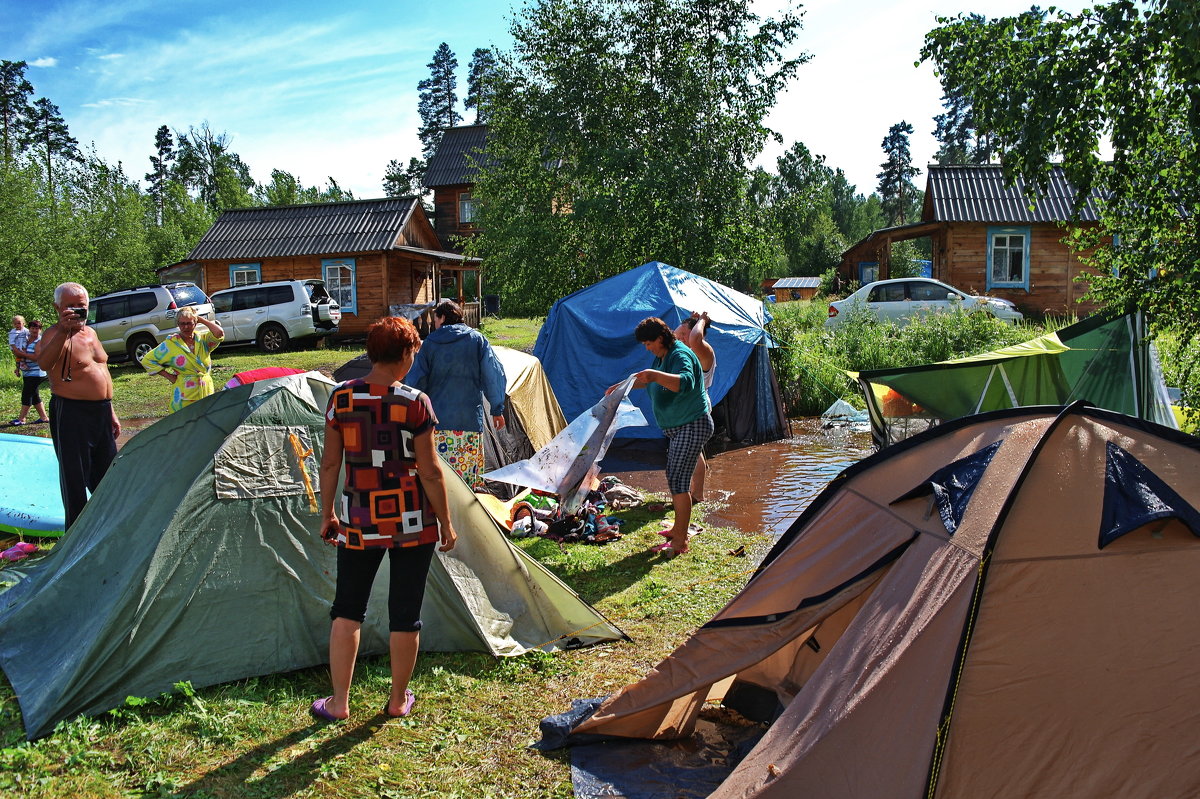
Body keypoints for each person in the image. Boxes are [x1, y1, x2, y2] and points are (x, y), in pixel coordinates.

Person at [311, 316, 457, 722]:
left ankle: (338, 703)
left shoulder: (340, 398)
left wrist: (329, 513)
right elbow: (430, 471)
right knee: (405, 611)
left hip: (359, 520)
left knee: (347, 609)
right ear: (407, 354)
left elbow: (329, 464)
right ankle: (396, 701)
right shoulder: (415, 402)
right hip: (413, 522)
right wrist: (445, 521)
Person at [608, 317, 713, 557]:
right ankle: (678, 528)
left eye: (648, 343)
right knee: (676, 477)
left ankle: (680, 542)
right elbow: (647, 379)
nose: (647, 348)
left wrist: (655, 376)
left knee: (677, 481)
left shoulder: (680, 354)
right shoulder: (662, 357)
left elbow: (685, 383)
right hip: (678, 427)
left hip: (692, 424)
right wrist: (621, 387)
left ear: (660, 338)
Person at [34, 282, 120, 529]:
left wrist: (110, 411)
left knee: (108, 473)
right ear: (57, 307)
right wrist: (63, 331)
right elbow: (44, 364)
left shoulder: (91, 333)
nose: (76, 310)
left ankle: (107, 527)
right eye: (69, 306)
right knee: (74, 477)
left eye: (80, 306)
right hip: (71, 411)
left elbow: (102, 370)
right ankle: (75, 535)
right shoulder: (53, 334)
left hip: (100, 412)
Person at [405, 300, 506, 490]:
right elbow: (494, 375)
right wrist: (497, 408)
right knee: (468, 483)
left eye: (435, 318)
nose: (434, 323)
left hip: (436, 425)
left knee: (440, 479)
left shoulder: (429, 345)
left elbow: (415, 382)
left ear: (442, 318)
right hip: (469, 424)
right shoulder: (477, 340)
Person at [139, 306, 225, 412]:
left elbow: (219, 333)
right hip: (184, 396)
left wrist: (201, 319)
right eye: (182, 324)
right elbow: (147, 360)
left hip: (205, 391)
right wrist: (169, 376)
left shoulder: (203, 341)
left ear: (195, 323)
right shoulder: (171, 344)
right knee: (186, 427)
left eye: (189, 323)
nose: (185, 327)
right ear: (178, 324)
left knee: (205, 425)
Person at [673, 311, 716, 502]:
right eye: (679, 335)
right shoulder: (683, 352)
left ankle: (697, 494)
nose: (680, 338)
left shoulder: (704, 350)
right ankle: (694, 492)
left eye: (685, 335)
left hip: (696, 408)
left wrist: (702, 321)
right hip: (684, 408)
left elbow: (695, 339)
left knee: (692, 452)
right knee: (694, 451)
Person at [11, 320, 49, 426]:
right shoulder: (26, 339)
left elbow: (36, 357)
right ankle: (44, 417)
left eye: (37, 328)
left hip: (37, 373)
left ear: (40, 330)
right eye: (32, 328)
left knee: (27, 395)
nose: (34, 330)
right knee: (34, 395)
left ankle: (21, 419)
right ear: (29, 329)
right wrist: (17, 367)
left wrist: (21, 353)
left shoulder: (39, 341)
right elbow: (19, 354)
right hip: (27, 372)